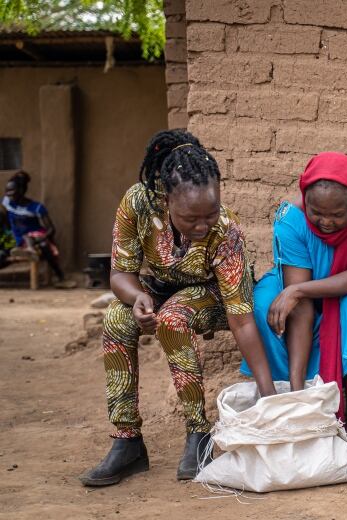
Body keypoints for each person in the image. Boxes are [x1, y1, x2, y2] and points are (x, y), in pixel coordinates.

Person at [80, 130, 276, 487]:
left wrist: (269, 395)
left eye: (211, 214)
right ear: (165, 199)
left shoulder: (227, 232)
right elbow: (120, 273)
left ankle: (198, 433)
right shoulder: (138, 204)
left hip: (212, 296)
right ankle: (127, 441)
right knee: (115, 319)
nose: (202, 225)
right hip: (158, 289)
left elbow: (242, 320)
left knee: (172, 318)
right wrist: (136, 295)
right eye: (190, 218)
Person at [240, 152, 347, 431]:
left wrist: (299, 290)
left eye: (338, 215)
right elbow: (298, 301)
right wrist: (299, 394)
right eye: (318, 213)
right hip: (298, 281)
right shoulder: (291, 218)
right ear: (305, 200)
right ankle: (287, 400)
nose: (327, 222)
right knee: (266, 306)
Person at [2, 171, 68, 284]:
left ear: (22, 191)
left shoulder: (36, 207)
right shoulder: (7, 203)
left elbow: (51, 229)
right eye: (7, 193)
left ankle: (60, 276)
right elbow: (4, 220)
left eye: (12, 192)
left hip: (35, 239)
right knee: (2, 255)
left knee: (43, 245)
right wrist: (7, 235)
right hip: (15, 240)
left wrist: (40, 239)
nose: (9, 196)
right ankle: (23, 250)